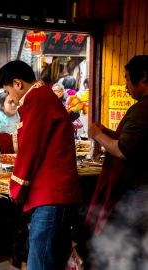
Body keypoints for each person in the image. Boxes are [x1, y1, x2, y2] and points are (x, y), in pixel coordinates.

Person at [0, 60, 82, 270]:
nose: (9, 97)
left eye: (7, 91)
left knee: (39, 260)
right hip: (53, 191)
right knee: (48, 256)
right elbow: (27, 138)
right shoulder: (41, 97)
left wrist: (16, 187)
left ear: (17, 83)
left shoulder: (37, 100)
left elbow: (30, 149)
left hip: (50, 192)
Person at [86, 55, 148, 269]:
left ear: (143, 77)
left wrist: (97, 135)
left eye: (127, 79)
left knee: (107, 245)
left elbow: (124, 151)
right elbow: (138, 144)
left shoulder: (142, 109)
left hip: (139, 192)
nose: (125, 86)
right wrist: (110, 133)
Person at [0, 91, 20, 156]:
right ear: (1, 106)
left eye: (14, 101)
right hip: (4, 155)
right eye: (10, 102)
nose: (13, 105)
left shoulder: (22, 115)